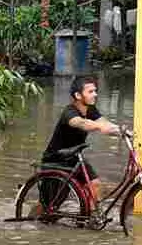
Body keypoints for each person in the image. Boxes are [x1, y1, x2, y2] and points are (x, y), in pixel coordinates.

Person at [42, 76, 120, 205]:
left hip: (74, 157)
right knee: (48, 204)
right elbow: (80, 123)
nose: (95, 94)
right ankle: (30, 221)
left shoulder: (90, 110)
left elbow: (105, 123)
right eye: (90, 92)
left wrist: (124, 132)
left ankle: (88, 219)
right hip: (56, 159)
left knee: (95, 186)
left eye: (95, 91)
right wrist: (99, 126)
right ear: (78, 95)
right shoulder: (69, 112)